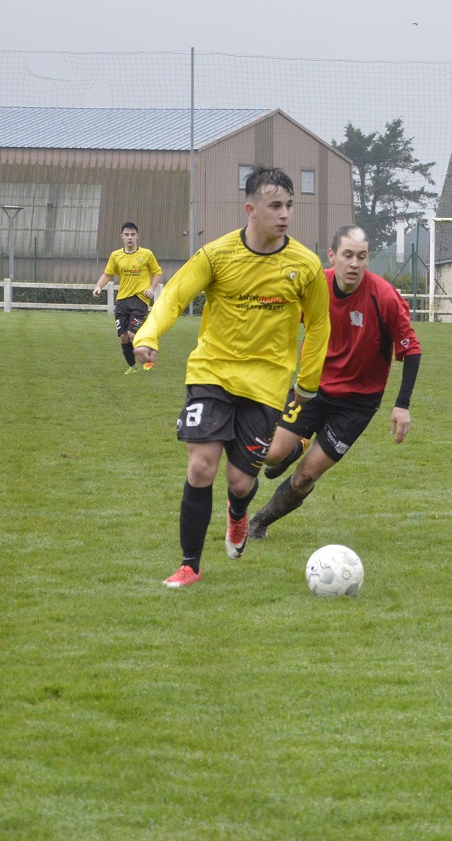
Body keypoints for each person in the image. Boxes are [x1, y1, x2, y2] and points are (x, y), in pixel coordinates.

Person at [131, 168, 331, 588]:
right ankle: (190, 565)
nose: (285, 214)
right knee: (201, 467)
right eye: (275, 206)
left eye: (289, 205)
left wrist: (307, 384)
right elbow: (174, 296)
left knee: (240, 483)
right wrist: (147, 335)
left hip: (266, 387)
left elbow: (318, 325)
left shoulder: (306, 266)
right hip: (212, 373)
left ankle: (237, 513)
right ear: (251, 209)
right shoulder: (216, 255)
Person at [247, 224, 422, 540]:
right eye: (348, 255)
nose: (354, 263)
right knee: (271, 454)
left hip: (357, 404)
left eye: (362, 257)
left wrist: (402, 405)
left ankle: (258, 523)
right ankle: (298, 444)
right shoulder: (316, 286)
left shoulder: (384, 297)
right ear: (332, 256)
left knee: (305, 476)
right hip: (311, 389)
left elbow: (412, 349)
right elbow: (282, 323)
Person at [93, 222, 163, 373]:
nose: (129, 237)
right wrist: (98, 287)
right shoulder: (115, 255)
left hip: (140, 298)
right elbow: (108, 274)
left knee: (132, 333)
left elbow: (157, 273)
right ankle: (132, 367)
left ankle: (148, 358)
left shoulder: (147, 254)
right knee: (124, 336)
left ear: (137, 236)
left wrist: (151, 289)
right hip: (122, 300)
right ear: (122, 236)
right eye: (126, 234)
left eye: (132, 234)